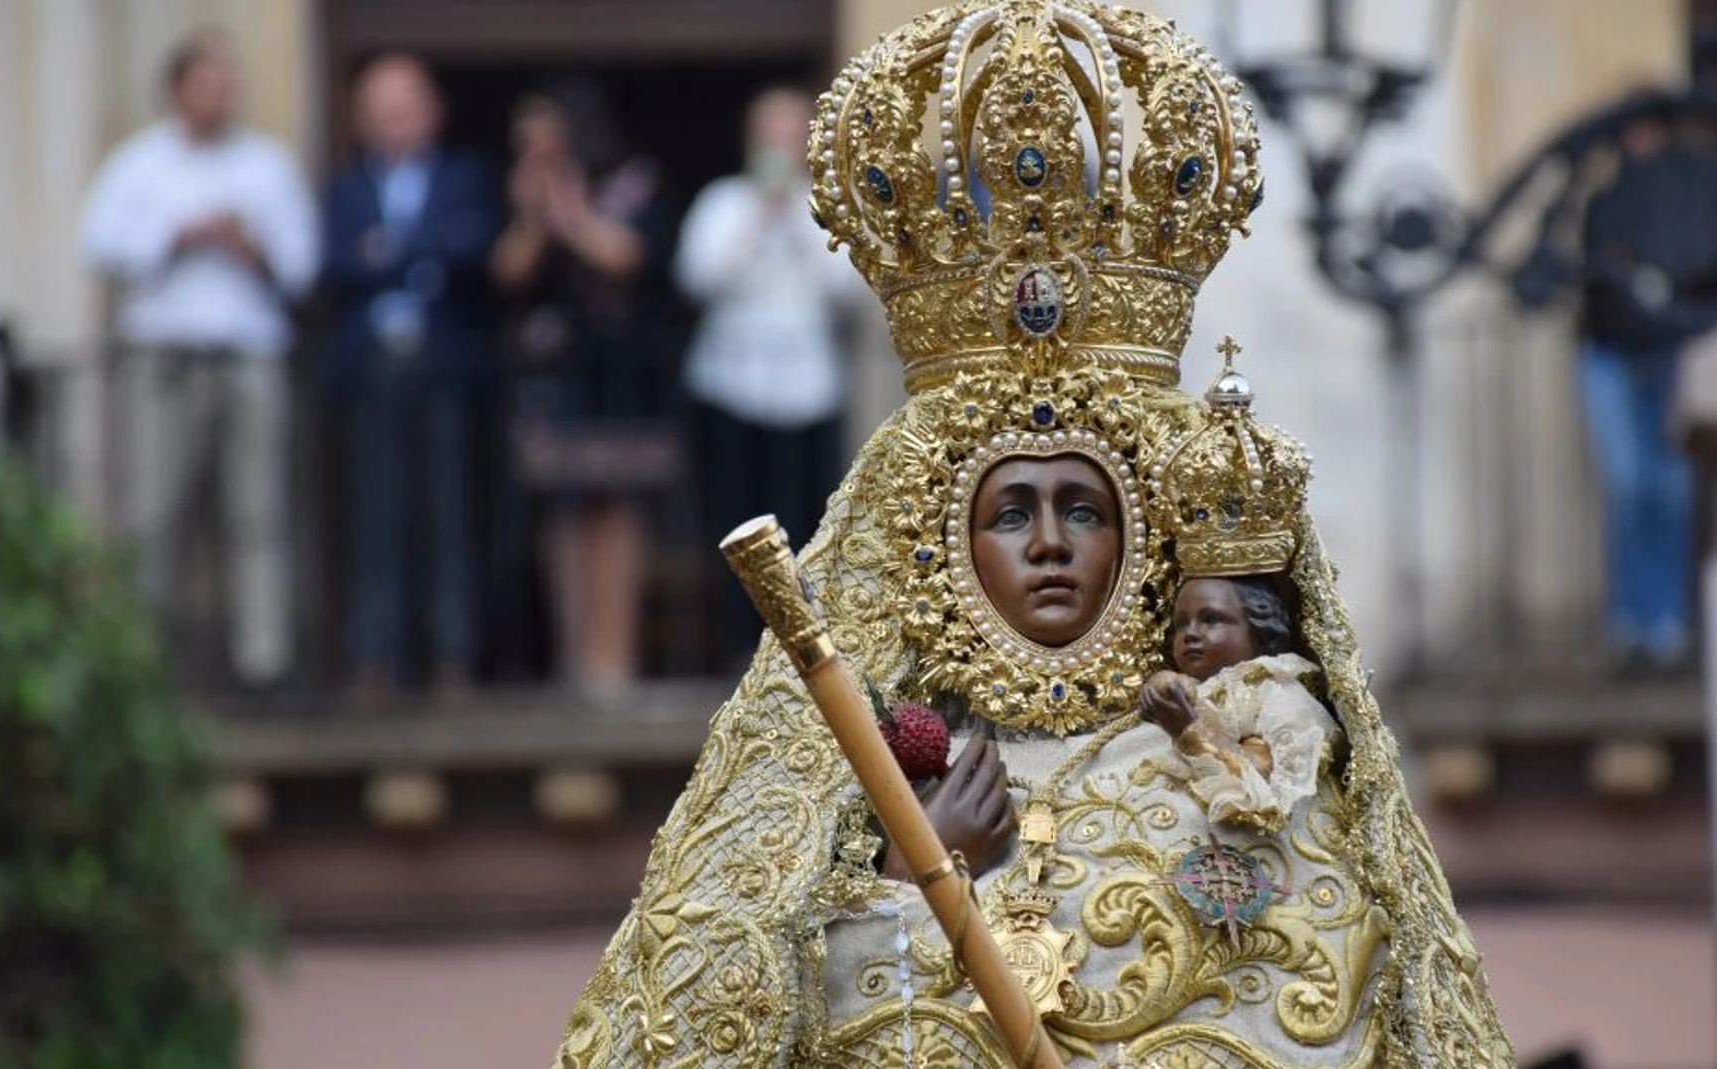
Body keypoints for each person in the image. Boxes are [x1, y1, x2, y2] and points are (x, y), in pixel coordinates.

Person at [550, 5, 1514, 1066]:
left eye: (1084, 509)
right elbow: (717, 1016)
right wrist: (914, 884)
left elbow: (1326, 990)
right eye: (1011, 513)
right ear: (940, 543)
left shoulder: (1243, 752)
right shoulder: (866, 791)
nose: (1050, 542)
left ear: (1139, 535)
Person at [79, 29, 318, 689]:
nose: (221, 94)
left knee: (257, 511)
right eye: (208, 81)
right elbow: (98, 242)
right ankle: (140, 664)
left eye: (228, 82)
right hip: (163, 358)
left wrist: (251, 246)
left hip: (247, 353)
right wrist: (177, 235)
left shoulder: (267, 164)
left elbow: (302, 265)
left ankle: (263, 664)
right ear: (177, 89)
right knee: (151, 510)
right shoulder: (139, 164)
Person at [322, 54, 501, 704]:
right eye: (381, 108)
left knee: (448, 511)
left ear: (433, 112)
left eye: (405, 105)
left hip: (445, 365)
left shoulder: (465, 175)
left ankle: (453, 656)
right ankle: (376, 657)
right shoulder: (344, 187)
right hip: (371, 368)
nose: (394, 120)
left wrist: (389, 252)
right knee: (376, 513)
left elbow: (473, 248)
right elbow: (334, 263)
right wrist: (418, 254)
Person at [492, 85, 676, 696]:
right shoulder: (528, 193)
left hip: (620, 369)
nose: (533, 155)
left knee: (615, 508)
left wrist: (568, 214)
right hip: (556, 372)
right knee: (560, 507)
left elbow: (625, 256)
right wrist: (533, 215)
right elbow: (509, 271)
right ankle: (573, 661)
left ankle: (612, 662)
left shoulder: (634, 183)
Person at [675, 87, 860, 672]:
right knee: (734, 518)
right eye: (768, 135)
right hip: (733, 384)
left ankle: (799, 652)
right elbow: (697, 277)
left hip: (807, 387)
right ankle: (736, 646)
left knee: (804, 519)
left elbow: (847, 291)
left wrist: (797, 224)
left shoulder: (826, 205)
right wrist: (759, 216)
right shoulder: (723, 202)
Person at [1577, 110, 1717, 671]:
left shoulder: (1688, 195)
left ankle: (1664, 622)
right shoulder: (1607, 198)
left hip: (1665, 353)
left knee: (1668, 486)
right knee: (1627, 483)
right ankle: (1630, 621)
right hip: (1612, 351)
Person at [1138, 576, 1338, 833]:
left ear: (1260, 630)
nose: (1190, 634)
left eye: (1211, 619)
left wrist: (1189, 731)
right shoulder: (1185, 692)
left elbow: (1264, 783)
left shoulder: (1278, 695)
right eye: (1181, 623)